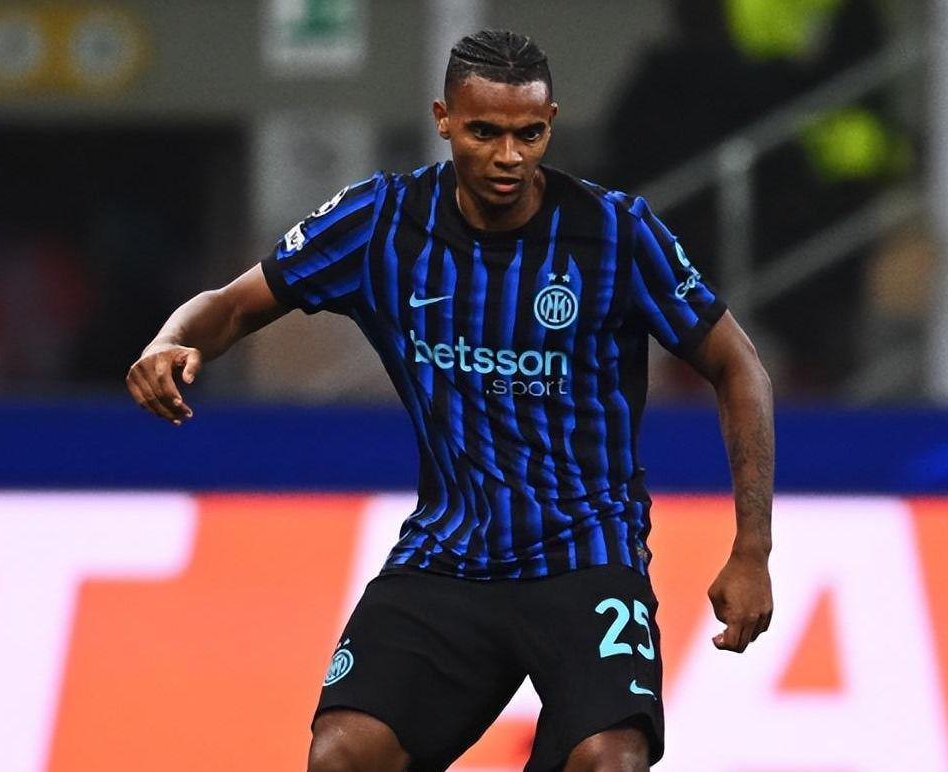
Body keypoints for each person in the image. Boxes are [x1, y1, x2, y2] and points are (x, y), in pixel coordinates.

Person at [126, 29, 774, 772]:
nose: (509, 156)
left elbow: (739, 365)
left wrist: (751, 550)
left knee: (610, 760)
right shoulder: (381, 222)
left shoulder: (615, 233)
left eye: (529, 134)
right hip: (449, 556)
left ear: (552, 123)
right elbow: (233, 305)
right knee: (342, 757)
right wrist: (170, 340)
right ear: (443, 120)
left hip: (589, 555)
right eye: (484, 132)